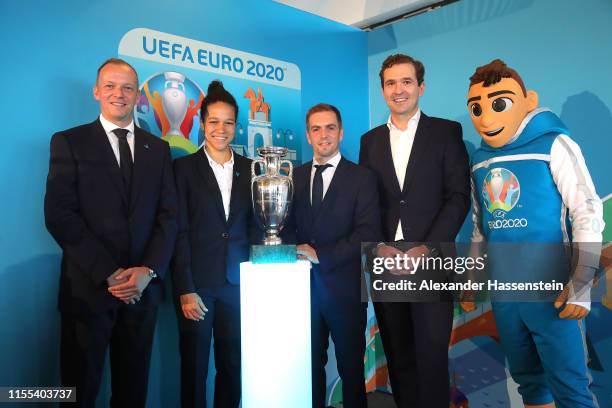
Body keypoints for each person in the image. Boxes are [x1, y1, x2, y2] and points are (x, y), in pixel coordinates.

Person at [464, 59, 603, 408]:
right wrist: (472, 277)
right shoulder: (480, 160)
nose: (486, 117)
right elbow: (483, 225)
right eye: (476, 108)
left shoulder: (554, 144)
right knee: (529, 383)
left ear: (528, 101)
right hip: (506, 291)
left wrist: (582, 280)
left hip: (551, 288)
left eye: (498, 103)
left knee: (570, 386)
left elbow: (586, 209)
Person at [44, 58, 178, 407]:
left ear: (138, 95)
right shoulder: (69, 142)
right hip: (88, 291)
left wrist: (147, 272)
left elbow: (169, 216)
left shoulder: (159, 149)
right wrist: (111, 273)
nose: (119, 94)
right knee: (78, 393)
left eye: (128, 87)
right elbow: (59, 215)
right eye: (110, 86)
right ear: (96, 91)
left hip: (142, 294)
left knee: (133, 394)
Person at [358, 54, 470, 408]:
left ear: (420, 87)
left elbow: (458, 197)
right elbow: (367, 204)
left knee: (432, 358)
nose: (399, 89)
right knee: (399, 357)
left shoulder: (446, 132)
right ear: (382, 90)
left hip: (432, 261)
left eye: (406, 81)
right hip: (386, 263)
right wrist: (379, 248)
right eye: (391, 83)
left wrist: (428, 247)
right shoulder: (369, 141)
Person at [285, 103, 382, 408]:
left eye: (329, 128)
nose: (323, 135)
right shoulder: (293, 178)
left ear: (341, 133)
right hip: (303, 293)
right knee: (308, 371)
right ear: (308, 134)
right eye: (316, 129)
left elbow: (368, 233)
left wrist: (321, 255)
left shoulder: (361, 178)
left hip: (345, 291)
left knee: (351, 372)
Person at [173, 80, 255, 408]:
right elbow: (177, 231)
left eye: (229, 122)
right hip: (198, 286)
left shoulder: (253, 170)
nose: (221, 129)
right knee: (194, 369)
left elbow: (257, 227)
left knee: (232, 367)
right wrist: (185, 287)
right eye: (214, 121)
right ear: (202, 123)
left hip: (237, 284)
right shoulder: (182, 169)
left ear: (237, 126)